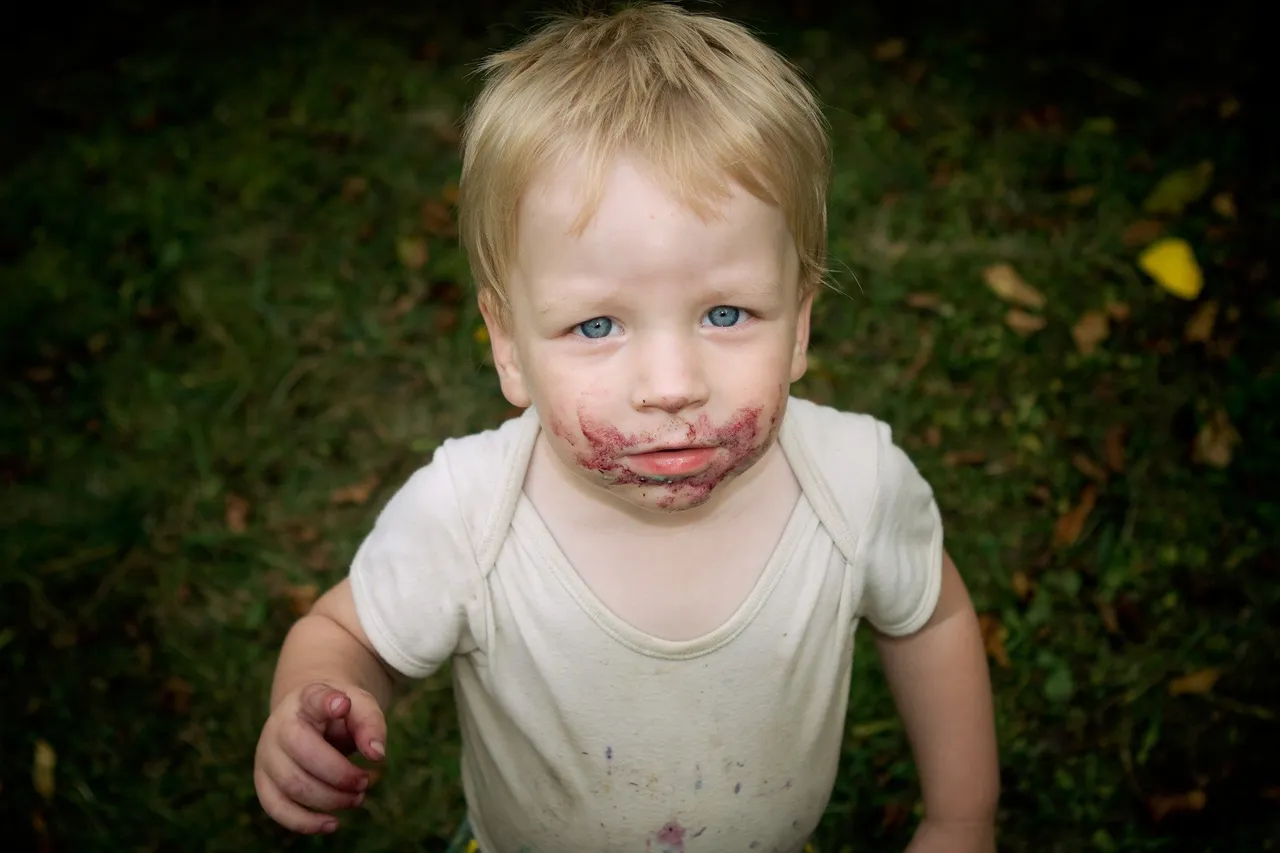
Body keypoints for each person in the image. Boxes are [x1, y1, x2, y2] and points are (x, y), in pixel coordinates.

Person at [253, 4, 1000, 851]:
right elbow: (349, 634)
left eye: (726, 312)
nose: (673, 386)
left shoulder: (854, 484)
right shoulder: (468, 518)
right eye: (597, 326)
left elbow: (928, 617)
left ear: (798, 324)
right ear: (507, 344)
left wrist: (961, 817)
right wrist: (318, 694)